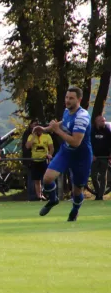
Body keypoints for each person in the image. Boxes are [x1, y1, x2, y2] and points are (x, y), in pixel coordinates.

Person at [37, 86, 92, 221]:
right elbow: (62, 123)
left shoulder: (82, 117)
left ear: (79, 100)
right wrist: (45, 129)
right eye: (66, 97)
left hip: (81, 157)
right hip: (66, 152)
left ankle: (75, 210)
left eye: (71, 98)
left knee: (77, 190)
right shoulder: (67, 112)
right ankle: (53, 199)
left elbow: (75, 142)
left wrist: (56, 131)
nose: (67, 100)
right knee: (47, 178)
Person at [26, 126, 54, 200]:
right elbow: (28, 146)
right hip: (35, 161)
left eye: (39, 130)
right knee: (36, 180)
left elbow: (51, 148)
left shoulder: (47, 136)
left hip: (44, 160)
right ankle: (39, 196)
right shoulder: (31, 136)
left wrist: (50, 154)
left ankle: (48, 194)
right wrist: (33, 137)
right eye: (36, 130)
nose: (38, 132)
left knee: (46, 178)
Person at [90, 115, 111, 200]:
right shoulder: (91, 130)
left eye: (104, 121)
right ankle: (98, 192)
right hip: (94, 157)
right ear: (96, 121)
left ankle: (100, 196)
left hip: (104, 157)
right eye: (101, 121)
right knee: (94, 176)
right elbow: (88, 143)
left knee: (103, 177)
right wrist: (91, 154)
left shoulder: (107, 130)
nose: (103, 122)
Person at [22, 119, 39, 201]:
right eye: (34, 124)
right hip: (30, 160)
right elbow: (27, 147)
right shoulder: (27, 134)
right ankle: (32, 197)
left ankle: (39, 195)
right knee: (32, 179)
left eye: (37, 124)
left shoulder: (43, 134)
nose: (35, 126)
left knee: (39, 179)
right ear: (30, 125)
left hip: (40, 159)